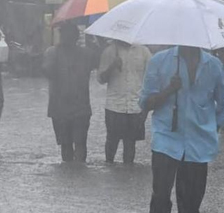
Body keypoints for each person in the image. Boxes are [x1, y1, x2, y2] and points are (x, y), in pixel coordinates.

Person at [140, 46, 224, 213]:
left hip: (199, 144)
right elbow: (145, 103)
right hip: (166, 140)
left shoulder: (213, 66)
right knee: (160, 196)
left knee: (191, 203)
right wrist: (169, 90)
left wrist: (211, 130)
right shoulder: (159, 61)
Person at [42, 23, 97, 162]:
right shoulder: (53, 53)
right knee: (67, 144)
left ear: (76, 37)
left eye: (70, 35)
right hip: (61, 108)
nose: (67, 38)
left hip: (79, 107)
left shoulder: (86, 54)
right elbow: (47, 72)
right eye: (65, 34)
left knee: (78, 143)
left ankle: (74, 173)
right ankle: (74, 174)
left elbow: (98, 65)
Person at [97, 40, 152, 163]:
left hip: (136, 104)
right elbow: (101, 79)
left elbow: (151, 77)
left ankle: (128, 172)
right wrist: (112, 66)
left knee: (130, 143)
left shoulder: (144, 51)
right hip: (114, 105)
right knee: (111, 141)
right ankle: (109, 170)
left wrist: (146, 109)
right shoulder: (109, 51)